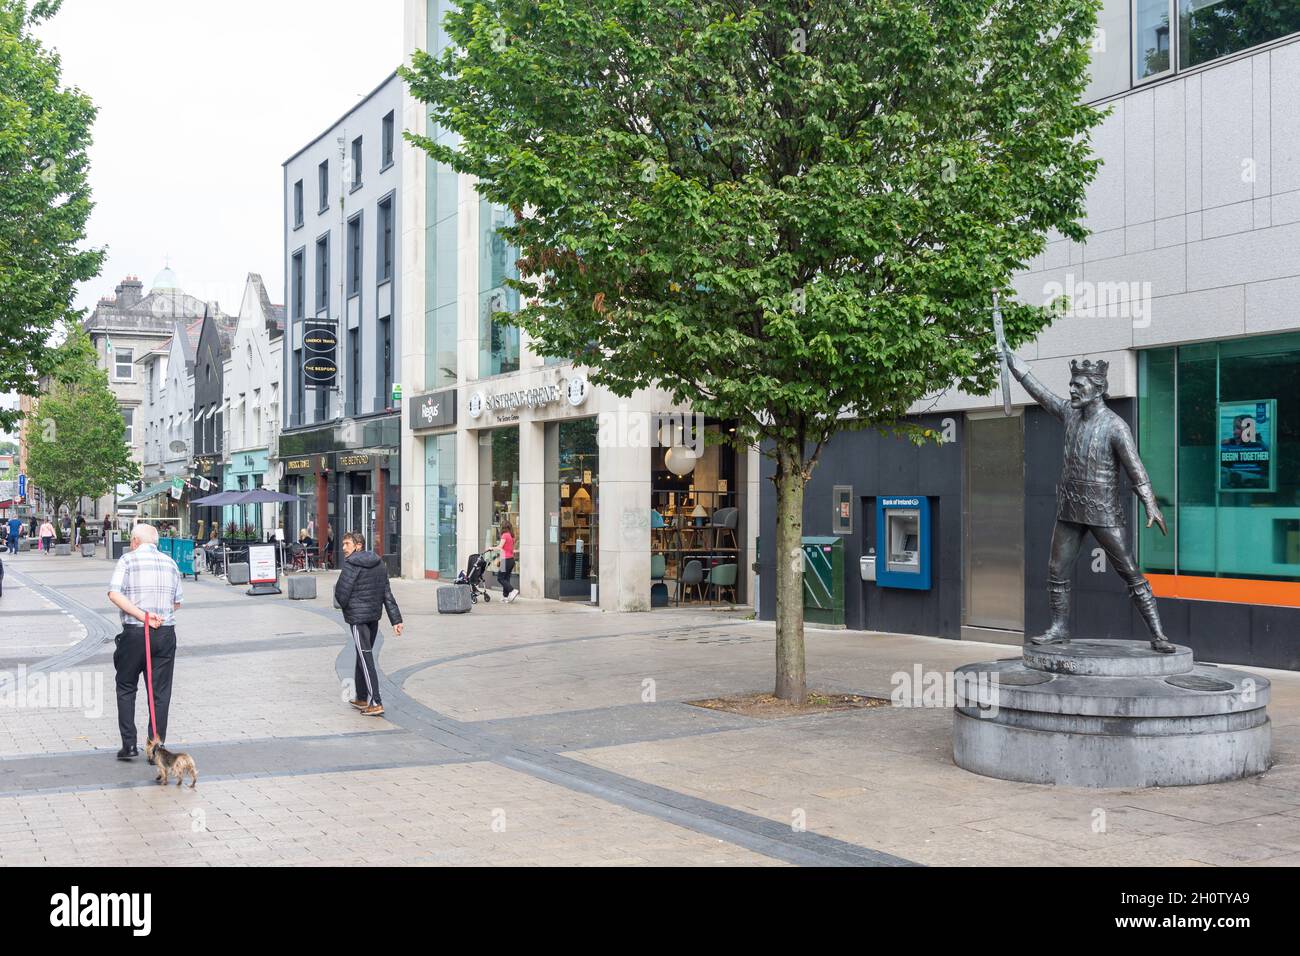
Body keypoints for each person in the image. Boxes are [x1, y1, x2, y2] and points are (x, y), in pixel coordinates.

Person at [1005, 352, 1173, 653]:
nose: (1071, 390)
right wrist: (1015, 365)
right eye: (1070, 384)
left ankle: (1158, 634)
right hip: (1070, 508)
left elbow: (1137, 470)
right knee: (1056, 571)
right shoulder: (1069, 413)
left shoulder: (1115, 426)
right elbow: (1041, 392)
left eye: (1077, 385)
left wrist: (1150, 503)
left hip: (1103, 509)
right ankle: (1059, 628)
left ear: (1097, 388)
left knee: (1129, 572)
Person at [107, 523, 185, 760]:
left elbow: (114, 593)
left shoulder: (128, 561)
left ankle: (129, 745)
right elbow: (177, 602)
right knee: (160, 692)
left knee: (126, 686)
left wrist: (143, 616)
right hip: (164, 633)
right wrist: (158, 616)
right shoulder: (170, 563)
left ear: (134, 541)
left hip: (135, 633)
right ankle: (155, 746)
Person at [333, 531, 403, 717]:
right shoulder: (379, 563)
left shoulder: (351, 564)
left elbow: (341, 593)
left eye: (347, 544)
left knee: (365, 657)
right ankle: (362, 697)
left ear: (358, 545)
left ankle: (375, 701)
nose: (343, 548)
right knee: (362, 654)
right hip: (373, 618)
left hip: (358, 618)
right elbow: (386, 593)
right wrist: (396, 619)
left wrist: (348, 606)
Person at [497, 521, 517, 602]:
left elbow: (500, 547)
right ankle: (505, 597)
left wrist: (491, 548)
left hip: (505, 560)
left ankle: (512, 590)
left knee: (500, 578)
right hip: (510, 560)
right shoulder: (512, 536)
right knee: (506, 578)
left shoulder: (504, 535)